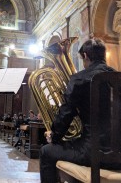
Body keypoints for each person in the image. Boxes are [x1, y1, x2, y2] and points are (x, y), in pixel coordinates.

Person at [40, 38, 117, 183]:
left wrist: (54, 135)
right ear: (104, 55)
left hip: (91, 153)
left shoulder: (79, 79)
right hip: (119, 156)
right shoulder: (118, 78)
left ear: (86, 56)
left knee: (46, 151)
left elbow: (65, 114)